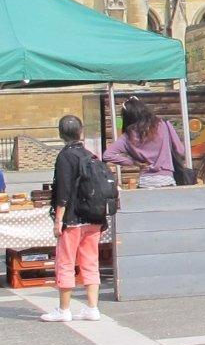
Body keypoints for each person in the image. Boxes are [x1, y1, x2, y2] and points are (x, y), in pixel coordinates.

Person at [45, 114, 109, 322]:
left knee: (65, 261)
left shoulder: (65, 157)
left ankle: (64, 309)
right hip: (94, 217)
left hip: (73, 218)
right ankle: (92, 307)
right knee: (90, 261)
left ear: (60, 134)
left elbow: (62, 192)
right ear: (80, 132)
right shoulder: (90, 155)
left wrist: (58, 220)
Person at [102, 97, 186, 188]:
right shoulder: (164, 124)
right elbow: (180, 150)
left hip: (145, 182)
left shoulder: (127, 136)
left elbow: (107, 155)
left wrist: (133, 162)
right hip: (166, 180)